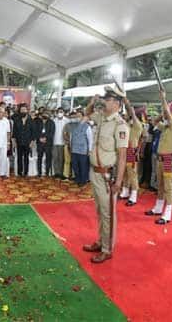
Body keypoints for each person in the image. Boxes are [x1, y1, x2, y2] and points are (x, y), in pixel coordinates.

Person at [82, 86, 129, 264]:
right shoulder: (101, 117)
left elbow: (123, 156)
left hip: (107, 175)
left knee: (108, 212)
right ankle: (101, 241)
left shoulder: (120, 125)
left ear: (116, 104)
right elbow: (86, 114)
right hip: (94, 171)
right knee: (99, 210)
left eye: (108, 99)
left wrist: (118, 181)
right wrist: (92, 102)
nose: (104, 101)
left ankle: (107, 249)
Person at [145, 92, 172, 224]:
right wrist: (163, 114)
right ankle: (158, 208)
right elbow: (154, 121)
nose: (166, 116)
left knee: (168, 187)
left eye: (168, 113)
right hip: (160, 159)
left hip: (168, 161)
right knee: (160, 184)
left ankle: (168, 214)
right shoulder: (165, 127)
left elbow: (169, 114)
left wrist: (164, 100)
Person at [119, 97, 144, 206]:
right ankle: (125, 191)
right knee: (124, 173)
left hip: (131, 153)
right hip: (124, 151)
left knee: (132, 174)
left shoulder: (137, 126)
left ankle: (133, 196)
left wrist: (127, 103)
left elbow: (132, 115)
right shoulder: (127, 125)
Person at [69, 110, 93, 186]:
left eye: (79, 116)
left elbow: (90, 139)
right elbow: (71, 137)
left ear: (83, 117)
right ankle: (77, 178)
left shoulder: (87, 126)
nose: (77, 117)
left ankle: (83, 180)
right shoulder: (73, 126)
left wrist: (89, 150)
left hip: (83, 150)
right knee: (75, 165)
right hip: (74, 149)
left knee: (83, 166)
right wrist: (70, 146)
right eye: (76, 116)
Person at [12, 103, 34, 177]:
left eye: (24, 110)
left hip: (28, 142)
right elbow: (14, 132)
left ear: (27, 111)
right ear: (19, 111)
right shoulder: (16, 120)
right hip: (19, 142)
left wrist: (32, 142)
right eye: (21, 110)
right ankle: (19, 172)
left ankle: (26, 172)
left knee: (26, 158)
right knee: (19, 158)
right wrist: (14, 142)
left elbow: (33, 132)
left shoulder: (30, 120)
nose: (23, 111)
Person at [34, 111, 55, 177]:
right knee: (39, 158)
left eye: (46, 114)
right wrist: (39, 138)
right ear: (42, 114)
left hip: (48, 143)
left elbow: (52, 132)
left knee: (48, 158)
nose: (45, 115)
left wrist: (46, 138)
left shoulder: (51, 122)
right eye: (44, 114)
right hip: (40, 143)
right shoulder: (38, 122)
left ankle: (47, 173)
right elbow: (35, 131)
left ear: (48, 115)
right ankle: (39, 173)